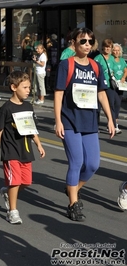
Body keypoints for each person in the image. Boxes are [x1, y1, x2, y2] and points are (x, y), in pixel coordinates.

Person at [54, 28, 115, 222]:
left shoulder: (96, 66)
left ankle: (73, 187)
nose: (87, 44)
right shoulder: (66, 65)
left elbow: (102, 93)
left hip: (90, 121)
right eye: (83, 41)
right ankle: (73, 204)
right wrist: (57, 121)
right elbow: (58, 93)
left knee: (92, 164)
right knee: (77, 162)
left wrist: (110, 119)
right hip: (70, 120)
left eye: (90, 41)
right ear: (74, 43)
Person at [0, 71, 45, 224]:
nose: (28, 90)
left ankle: (8, 193)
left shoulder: (28, 106)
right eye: (25, 87)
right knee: (15, 181)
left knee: (26, 182)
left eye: (29, 87)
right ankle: (12, 211)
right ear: (14, 87)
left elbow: (32, 128)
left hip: (25, 150)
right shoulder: (5, 108)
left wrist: (39, 144)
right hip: (10, 150)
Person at [94, 39, 120, 133]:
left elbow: (116, 69)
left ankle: (112, 125)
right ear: (103, 47)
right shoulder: (98, 58)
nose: (107, 49)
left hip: (110, 85)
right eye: (106, 47)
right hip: (99, 85)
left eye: (109, 47)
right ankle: (95, 126)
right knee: (98, 107)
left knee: (112, 105)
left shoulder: (112, 58)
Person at [111, 43, 126, 134]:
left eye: (117, 50)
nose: (116, 52)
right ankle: (113, 124)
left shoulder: (122, 60)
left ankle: (114, 123)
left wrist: (124, 77)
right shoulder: (111, 60)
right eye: (114, 50)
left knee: (118, 104)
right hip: (112, 85)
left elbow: (125, 70)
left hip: (120, 86)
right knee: (112, 104)